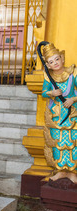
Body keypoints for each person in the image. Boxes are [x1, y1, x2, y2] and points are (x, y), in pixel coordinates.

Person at [41, 43, 77, 184]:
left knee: (72, 142)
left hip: (72, 114)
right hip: (56, 115)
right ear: (48, 66)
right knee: (58, 142)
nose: (55, 63)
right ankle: (61, 171)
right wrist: (51, 92)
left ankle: (73, 172)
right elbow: (44, 92)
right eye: (51, 62)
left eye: (56, 59)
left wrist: (73, 99)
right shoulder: (49, 77)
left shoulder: (72, 74)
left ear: (62, 59)